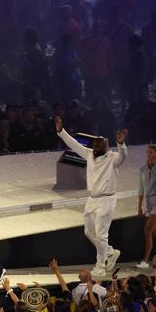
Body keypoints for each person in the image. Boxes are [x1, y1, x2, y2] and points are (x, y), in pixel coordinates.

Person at [55, 115, 128, 276]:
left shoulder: (113, 158)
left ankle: (100, 267)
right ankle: (110, 252)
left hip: (107, 200)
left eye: (98, 146)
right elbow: (74, 144)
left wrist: (121, 144)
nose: (94, 149)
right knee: (89, 231)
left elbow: (123, 157)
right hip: (92, 199)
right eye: (94, 146)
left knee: (101, 234)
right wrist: (61, 131)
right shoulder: (89, 154)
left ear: (106, 147)